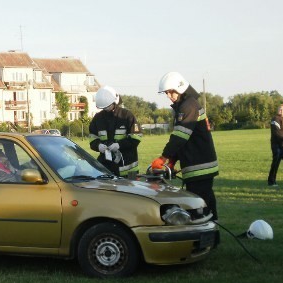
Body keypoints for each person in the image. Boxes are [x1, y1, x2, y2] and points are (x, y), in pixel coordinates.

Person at [151, 72, 219, 220]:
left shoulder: (188, 106)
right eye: (166, 93)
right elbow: (184, 138)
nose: (169, 96)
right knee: (208, 204)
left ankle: (202, 238)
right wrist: (173, 160)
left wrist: (163, 158)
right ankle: (212, 234)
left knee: (197, 207)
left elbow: (180, 137)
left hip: (199, 165)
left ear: (180, 88)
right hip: (200, 164)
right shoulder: (187, 105)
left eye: (171, 92)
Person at [89, 86, 142, 177]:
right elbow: (92, 140)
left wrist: (119, 145)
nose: (106, 109)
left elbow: (136, 137)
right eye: (104, 107)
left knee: (131, 191)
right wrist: (98, 146)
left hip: (128, 169)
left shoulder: (127, 116)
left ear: (115, 102)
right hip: (106, 168)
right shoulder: (98, 118)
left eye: (108, 106)